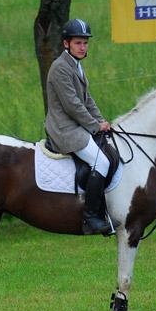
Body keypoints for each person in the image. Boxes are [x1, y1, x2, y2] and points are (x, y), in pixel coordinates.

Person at [44, 18, 113, 235]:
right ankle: (90, 218)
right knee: (101, 162)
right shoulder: (60, 68)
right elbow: (72, 105)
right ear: (66, 44)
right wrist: (94, 126)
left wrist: (102, 122)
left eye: (85, 43)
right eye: (78, 43)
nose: (83, 47)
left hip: (77, 125)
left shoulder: (76, 65)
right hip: (65, 129)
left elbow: (87, 100)